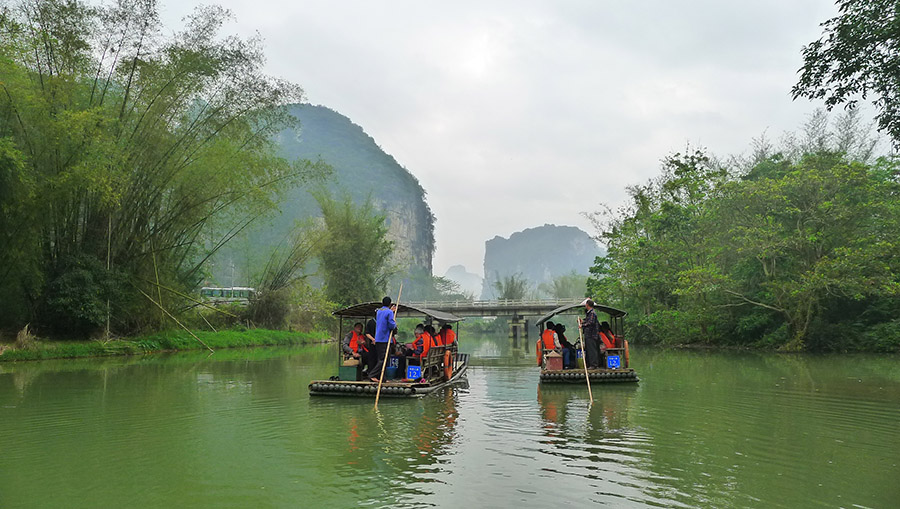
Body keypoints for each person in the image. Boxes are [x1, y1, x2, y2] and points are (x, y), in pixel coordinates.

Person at [371, 296, 397, 382]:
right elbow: (391, 325)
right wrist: (392, 314)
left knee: (383, 358)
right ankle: (372, 375)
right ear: (390, 304)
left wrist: (391, 311)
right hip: (384, 339)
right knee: (384, 359)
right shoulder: (389, 312)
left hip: (378, 338)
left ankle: (382, 378)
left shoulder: (378, 311)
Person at [580, 299, 601, 369]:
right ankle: (589, 364)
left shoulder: (592, 313)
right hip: (588, 335)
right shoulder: (589, 313)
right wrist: (582, 321)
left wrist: (582, 325)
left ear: (587, 305)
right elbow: (587, 321)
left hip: (591, 335)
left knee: (592, 350)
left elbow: (591, 323)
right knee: (589, 350)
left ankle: (594, 365)